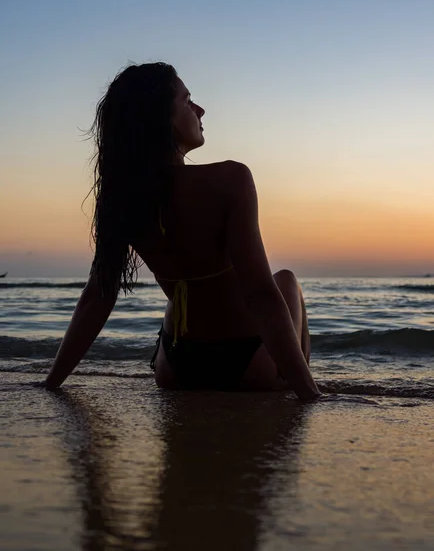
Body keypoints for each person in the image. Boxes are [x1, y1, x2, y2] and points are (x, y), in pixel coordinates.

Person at [42, 62, 320, 400]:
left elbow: (98, 298)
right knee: (285, 279)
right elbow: (259, 294)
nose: (200, 109)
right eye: (188, 101)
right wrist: (312, 396)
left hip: (176, 368)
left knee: (181, 297)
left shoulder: (121, 197)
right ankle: (296, 385)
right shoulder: (230, 179)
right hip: (249, 364)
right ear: (162, 117)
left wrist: (51, 382)